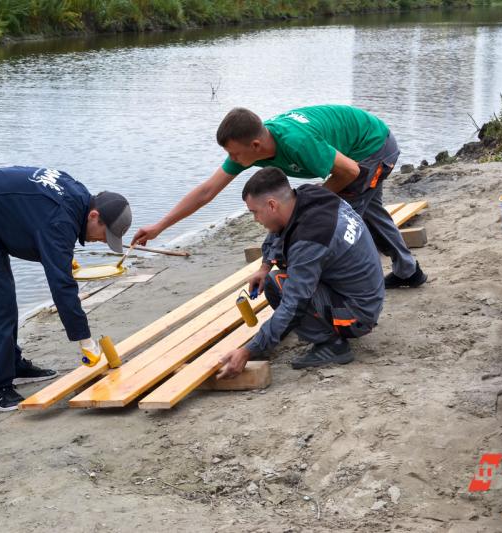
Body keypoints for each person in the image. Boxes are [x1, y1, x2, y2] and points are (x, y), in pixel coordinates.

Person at [132, 104, 426, 289]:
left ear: (256, 144)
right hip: (352, 149)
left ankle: (331, 291)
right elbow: (207, 191)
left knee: (340, 221)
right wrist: (160, 226)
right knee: (370, 210)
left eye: (234, 153)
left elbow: (350, 172)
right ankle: (408, 270)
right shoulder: (252, 150)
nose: (231, 158)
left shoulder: (297, 143)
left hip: (371, 148)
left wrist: (307, 204)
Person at [0, 166, 131, 411]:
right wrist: (84, 339)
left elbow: (37, 220)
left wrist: (59, 254)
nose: (103, 241)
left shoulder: (78, 198)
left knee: (4, 296)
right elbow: (61, 285)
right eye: (105, 235)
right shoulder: (60, 219)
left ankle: (13, 365)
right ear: (94, 216)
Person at [216, 167, 384, 377]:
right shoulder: (310, 195)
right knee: (273, 277)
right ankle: (310, 329)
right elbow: (280, 232)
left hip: (358, 315)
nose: (255, 220)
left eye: (254, 212)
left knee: (278, 285)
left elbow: (293, 304)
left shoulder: (311, 240)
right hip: (364, 294)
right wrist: (265, 265)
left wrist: (249, 350)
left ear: (271, 205)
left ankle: (333, 345)